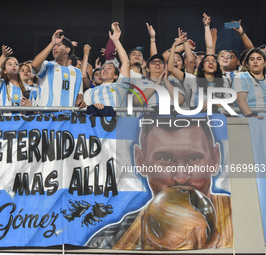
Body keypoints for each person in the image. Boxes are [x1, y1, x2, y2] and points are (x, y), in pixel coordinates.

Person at [86, 117, 233, 250]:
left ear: (215, 159)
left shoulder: (247, 223)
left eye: (193, 158)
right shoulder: (108, 243)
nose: (181, 178)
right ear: (140, 161)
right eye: (166, 159)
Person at [31, 30, 85, 108]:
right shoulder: (47, 65)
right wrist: (52, 43)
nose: (54, 48)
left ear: (67, 50)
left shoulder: (77, 72)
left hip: (68, 117)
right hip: (48, 117)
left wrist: (80, 101)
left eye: (58, 45)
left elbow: (79, 95)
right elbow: (34, 65)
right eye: (54, 46)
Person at [83, 22, 130, 110]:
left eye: (109, 68)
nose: (105, 69)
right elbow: (84, 110)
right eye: (103, 68)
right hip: (97, 122)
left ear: (116, 75)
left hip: (118, 122)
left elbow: (126, 63)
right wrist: (93, 107)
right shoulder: (90, 92)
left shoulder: (121, 86)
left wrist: (116, 40)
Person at [0, 45, 37, 111]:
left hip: (22, 121)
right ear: (4, 71)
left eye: (16, 64)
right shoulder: (1, 85)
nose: (14, 65)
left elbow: (36, 113)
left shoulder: (27, 89)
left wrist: (30, 107)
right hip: (5, 121)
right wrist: (4, 56)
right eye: (10, 64)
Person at [233, 48, 266, 119]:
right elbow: (240, 100)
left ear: (265, 62)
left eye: (259, 59)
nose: (255, 61)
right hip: (249, 117)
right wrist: (251, 115)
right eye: (252, 59)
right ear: (248, 63)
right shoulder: (241, 77)